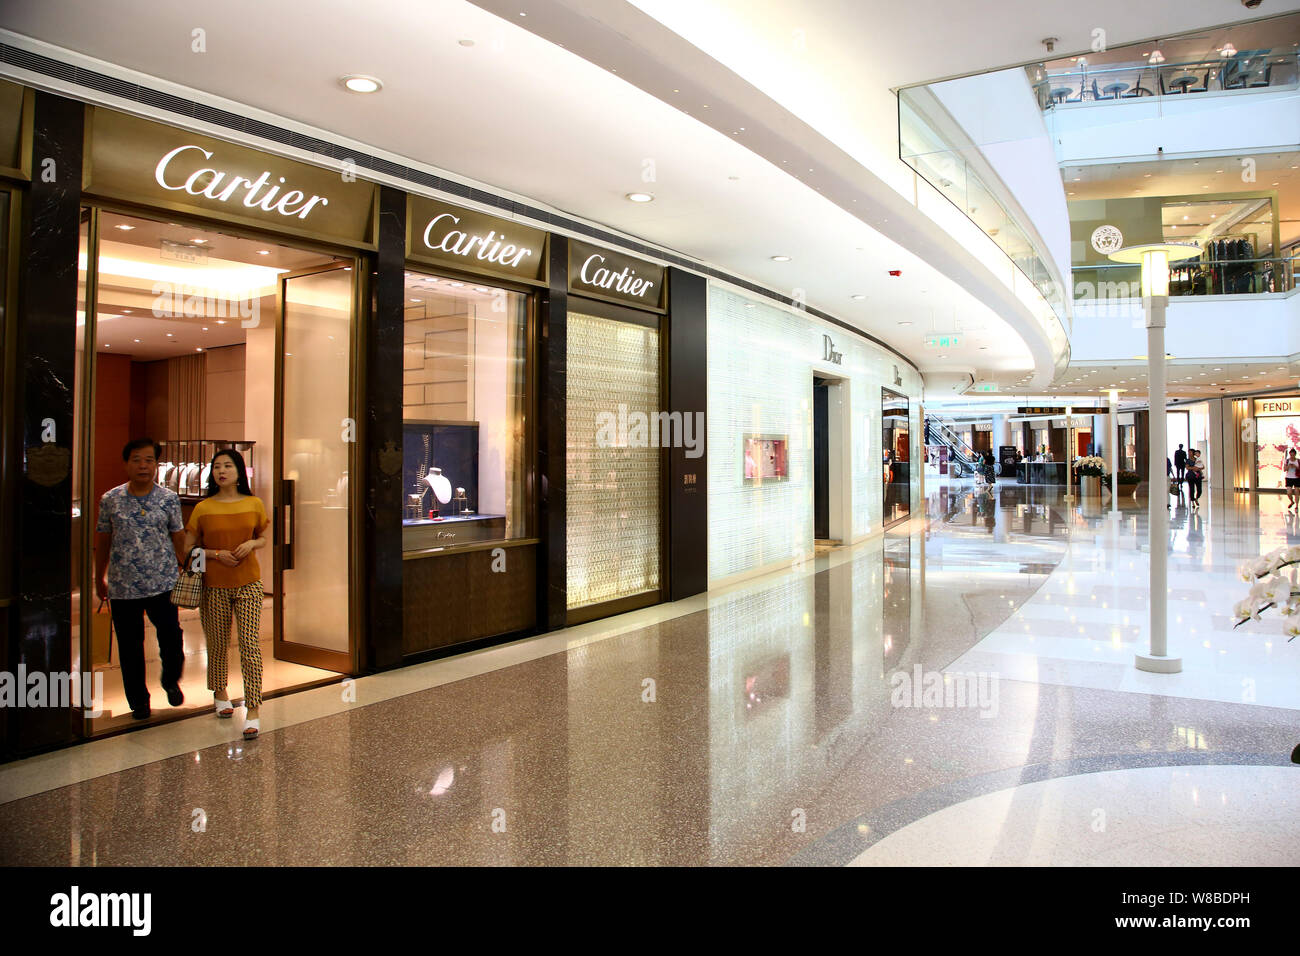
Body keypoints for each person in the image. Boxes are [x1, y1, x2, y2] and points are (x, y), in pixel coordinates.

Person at [94, 438, 187, 720]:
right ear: (126, 464)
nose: (143, 465)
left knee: (172, 638)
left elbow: (179, 540)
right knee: (129, 647)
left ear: (157, 465)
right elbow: (103, 540)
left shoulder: (169, 499)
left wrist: (191, 573)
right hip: (124, 587)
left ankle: (170, 680)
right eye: (136, 459)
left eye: (149, 460)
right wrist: (100, 577)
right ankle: (138, 702)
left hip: (163, 583)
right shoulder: (111, 500)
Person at [181, 449, 269, 740]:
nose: (222, 471)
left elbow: (264, 536)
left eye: (228, 466)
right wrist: (216, 554)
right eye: (217, 466)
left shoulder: (254, 503)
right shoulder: (203, 508)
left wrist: (252, 544)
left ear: (239, 471)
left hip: (249, 582)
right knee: (217, 643)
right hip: (214, 584)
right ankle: (220, 693)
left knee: (249, 645)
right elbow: (188, 550)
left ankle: (253, 708)